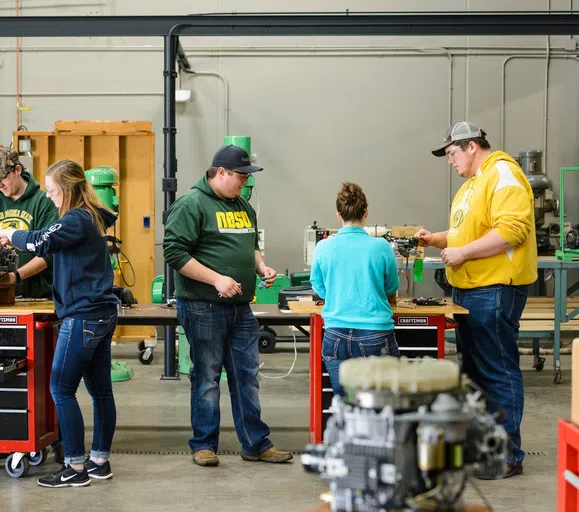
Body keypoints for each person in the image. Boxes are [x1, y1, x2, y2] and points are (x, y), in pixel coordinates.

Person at [0, 159, 119, 489]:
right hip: (100, 312)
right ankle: (99, 461)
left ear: (68, 189)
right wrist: (15, 268)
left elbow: (39, 242)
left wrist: (6, 233)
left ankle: (74, 466)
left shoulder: (76, 218)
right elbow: (50, 251)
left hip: (83, 315)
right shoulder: (87, 217)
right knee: (101, 391)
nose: (49, 197)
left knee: (60, 388)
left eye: (52, 191)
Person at [417, 121, 537, 478]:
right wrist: (438, 239)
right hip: (471, 291)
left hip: (495, 289)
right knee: (475, 373)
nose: (449, 161)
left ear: (471, 146)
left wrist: (464, 253)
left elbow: (513, 230)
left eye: (452, 153)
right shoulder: (472, 185)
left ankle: (507, 456)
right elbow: (466, 231)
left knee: (497, 371)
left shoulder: (503, 173)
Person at [162, 144, 293, 467]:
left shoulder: (243, 206)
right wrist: (216, 279)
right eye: (240, 177)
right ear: (220, 173)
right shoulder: (191, 205)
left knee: (247, 376)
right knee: (206, 377)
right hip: (203, 307)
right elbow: (174, 254)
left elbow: (251, 245)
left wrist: (261, 267)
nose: (245, 184)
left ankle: (255, 443)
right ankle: (204, 444)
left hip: (241, 309)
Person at [309, 182, 400, 396]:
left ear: (339, 215)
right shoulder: (381, 247)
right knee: (382, 405)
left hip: (335, 336)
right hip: (376, 334)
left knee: (345, 407)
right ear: (366, 212)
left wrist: (337, 295)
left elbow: (320, 288)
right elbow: (391, 287)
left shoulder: (323, 247)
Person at [0, 146, 58, 298]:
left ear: (18, 170)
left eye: (2, 178)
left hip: (38, 296)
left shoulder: (44, 203)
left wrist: (15, 276)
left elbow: (49, 252)